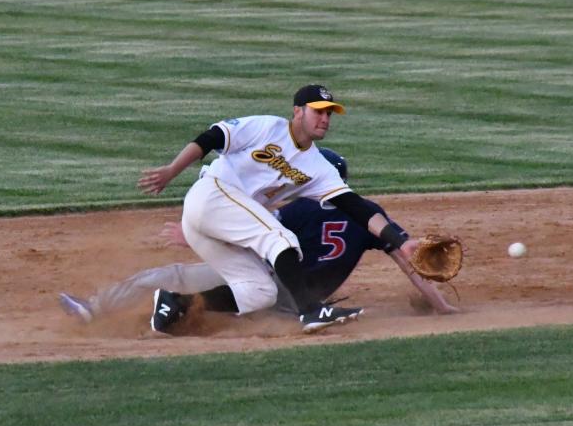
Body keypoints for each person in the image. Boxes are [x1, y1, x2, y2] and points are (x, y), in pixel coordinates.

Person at [133, 84, 436, 332]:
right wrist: (171, 171)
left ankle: (174, 304)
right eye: (318, 112)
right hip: (211, 195)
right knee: (281, 240)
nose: (325, 119)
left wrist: (401, 240)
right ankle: (311, 312)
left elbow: (356, 207)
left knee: (260, 293)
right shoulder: (266, 127)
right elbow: (212, 137)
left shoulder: (318, 167)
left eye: (329, 113)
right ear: (298, 111)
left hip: (220, 222)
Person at [59, 148, 457, 332]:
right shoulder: (370, 214)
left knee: (175, 274)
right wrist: (439, 305)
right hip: (299, 304)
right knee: (226, 299)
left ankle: (98, 310)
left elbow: (253, 235)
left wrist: (198, 233)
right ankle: (174, 313)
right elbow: (409, 262)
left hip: (269, 288)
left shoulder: (302, 209)